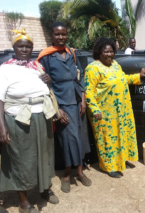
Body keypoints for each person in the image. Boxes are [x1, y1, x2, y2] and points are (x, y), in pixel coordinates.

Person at [0, 28, 58, 213]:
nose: (25, 49)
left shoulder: (36, 66)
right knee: (21, 160)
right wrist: (1, 124)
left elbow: (43, 90)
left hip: (42, 116)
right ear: (14, 47)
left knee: (44, 155)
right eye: (21, 46)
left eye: (28, 46)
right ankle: (24, 202)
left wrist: (47, 82)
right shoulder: (5, 68)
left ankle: (44, 188)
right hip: (19, 119)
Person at [37, 22, 92, 193]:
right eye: (57, 34)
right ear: (52, 36)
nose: (61, 37)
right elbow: (43, 86)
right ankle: (67, 174)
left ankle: (80, 171)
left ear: (67, 35)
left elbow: (80, 76)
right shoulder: (46, 57)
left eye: (64, 34)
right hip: (60, 103)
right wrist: (56, 109)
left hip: (76, 102)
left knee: (80, 138)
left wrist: (83, 99)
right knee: (67, 140)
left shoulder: (71, 53)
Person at [85, 38, 145, 178]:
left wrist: (138, 76)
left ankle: (120, 161)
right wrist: (95, 110)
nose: (109, 54)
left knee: (121, 136)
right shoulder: (93, 68)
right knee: (107, 139)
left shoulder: (115, 65)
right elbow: (88, 91)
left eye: (111, 51)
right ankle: (109, 166)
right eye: (105, 51)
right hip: (104, 112)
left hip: (121, 110)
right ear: (99, 52)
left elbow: (122, 79)